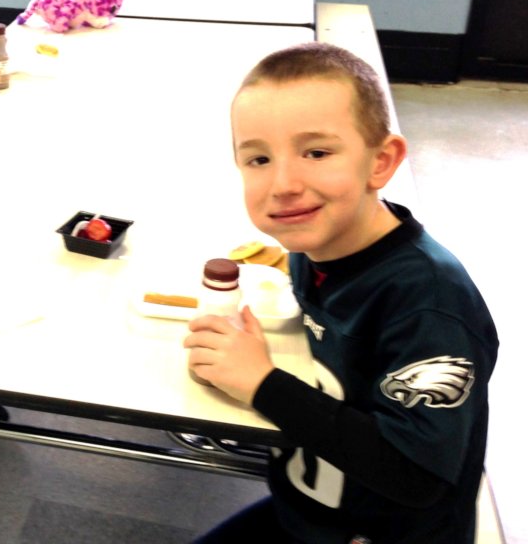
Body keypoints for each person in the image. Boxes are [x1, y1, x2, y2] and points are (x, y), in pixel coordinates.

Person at [185, 42, 498, 543]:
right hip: (311, 512)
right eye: (259, 158)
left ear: (381, 162)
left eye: (317, 152)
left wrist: (262, 382)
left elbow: (417, 474)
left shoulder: (429, 303)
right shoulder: (314, 249)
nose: (283, 184)